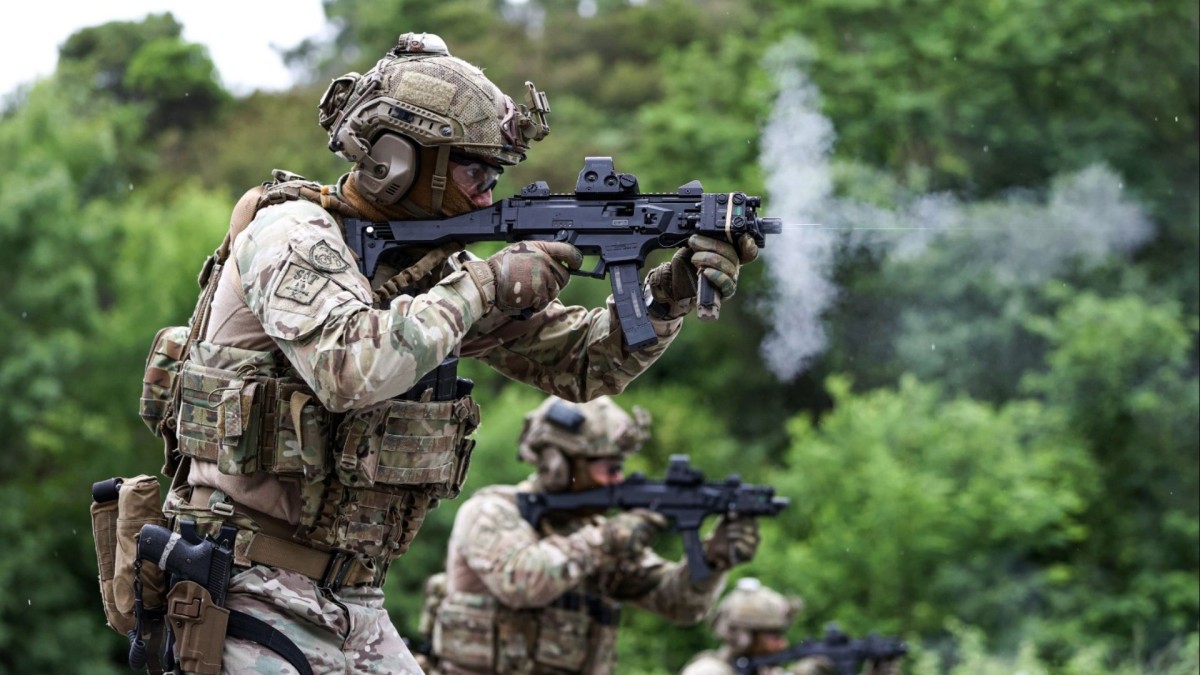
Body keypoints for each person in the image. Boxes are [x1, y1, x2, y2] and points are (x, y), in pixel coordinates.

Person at [150, 31, 759, 675]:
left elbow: (583, 363)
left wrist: (670, 293)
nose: (487, 195)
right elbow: (346, 368)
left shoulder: (436, 269)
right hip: (245, 582)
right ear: (396, 159)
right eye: (475, 170)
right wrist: (487, 285)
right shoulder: (293, 233)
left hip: (355, 597)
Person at [431, 395, 761, 674]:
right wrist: (607, 539)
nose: (618, 480)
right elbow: (523, 582)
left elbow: (677, 604)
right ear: (557, 463)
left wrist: (713, 559)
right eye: (610, 469)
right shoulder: (492, 511)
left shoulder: (593, 530)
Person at [681, 579, 900, 675]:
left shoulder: (765, 671)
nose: (782, 643)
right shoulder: (708, 672)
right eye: (773, 635)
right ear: (743, 636)